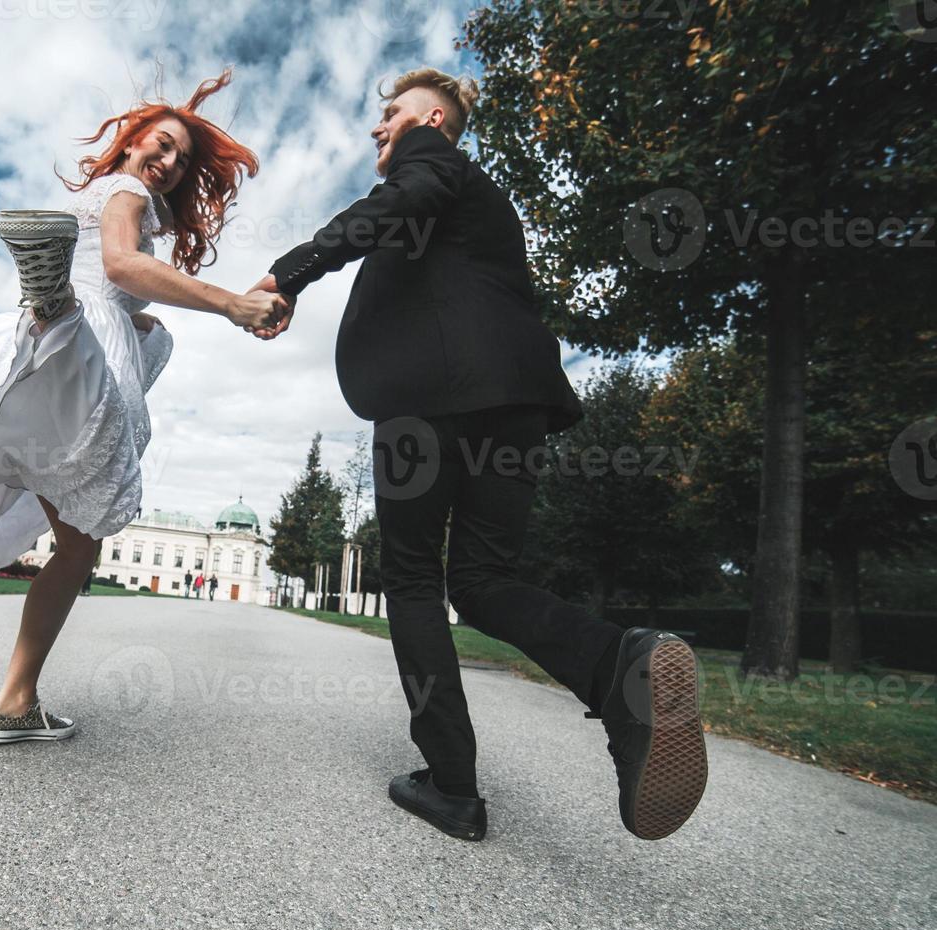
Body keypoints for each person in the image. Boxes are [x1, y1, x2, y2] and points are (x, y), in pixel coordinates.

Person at [251, 67, 707, 842]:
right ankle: (614, 664)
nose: (378, 128)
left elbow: (397, 201)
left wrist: (288, 273)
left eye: (389, 113)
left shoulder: (429, 159)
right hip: (516, 404)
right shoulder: (485, 203)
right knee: (487, 581)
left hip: (427, 402)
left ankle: (453, 785)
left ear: (431, 117)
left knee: (413, 579)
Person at [0, 70, 288, 745]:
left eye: (181, 160)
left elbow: (122, 274)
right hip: (93, 340)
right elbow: (119, 267)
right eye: (159, 145)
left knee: (73, 536)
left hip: (74, 337)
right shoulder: (127, 191)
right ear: (131, 142)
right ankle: (58, 311)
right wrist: (228, 302)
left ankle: (52, 309)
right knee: (80, 541)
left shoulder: (123, 200)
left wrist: (143, 326)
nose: (166, 164)